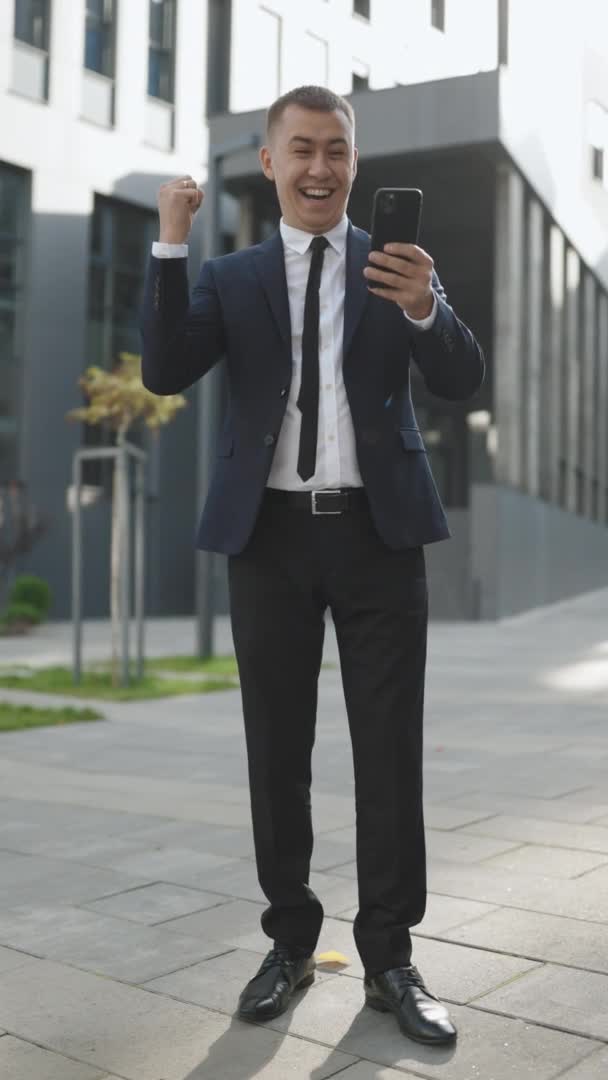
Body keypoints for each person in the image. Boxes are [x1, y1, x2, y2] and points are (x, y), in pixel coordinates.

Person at [141, 85, 484, 1047]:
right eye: (302, 149)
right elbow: (164, 369)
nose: (321, 167)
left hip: (380, 537)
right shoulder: (231, 276)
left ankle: (390, 961)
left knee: (389, 754)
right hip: (272, 541)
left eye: (336, 150)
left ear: (354, 162)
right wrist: (171, 240)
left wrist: (426, 310)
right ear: (269, 161)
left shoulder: (397, 267)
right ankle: (290, 943)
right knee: (276, 752)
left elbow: (462, 377)